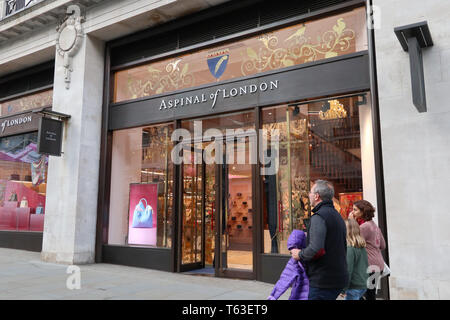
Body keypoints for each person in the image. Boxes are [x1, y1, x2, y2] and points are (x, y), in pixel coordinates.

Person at [291, 180, 348, 300]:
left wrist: (299, 254)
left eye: (311, 192)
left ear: (317, 196)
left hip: (323, 280)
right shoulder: (337, 215)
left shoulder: (319, 216)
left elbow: (316, 248)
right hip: (337, 277)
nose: (309, 195)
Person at [349, 200, 386, 300]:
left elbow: (353, 243)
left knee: (356, 293)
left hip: (368, 265)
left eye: (355, 210)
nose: (352, 212)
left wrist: (351, 221)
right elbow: (382, 245)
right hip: (378, 265)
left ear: (363, 212)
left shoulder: (364, 227)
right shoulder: (374, 225)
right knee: (370, 293)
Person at [268, 230, 309, 300]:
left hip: (300, 294)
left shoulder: (295, 261)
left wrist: (273, 296)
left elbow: (284, 280)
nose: (292, 253)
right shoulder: (314, 254)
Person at [341, 218, 369, 300]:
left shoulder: (349, 248)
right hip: (362, 284)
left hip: (353, 287)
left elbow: (348, 270)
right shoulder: (361, 246)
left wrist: (343, 289)